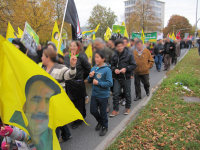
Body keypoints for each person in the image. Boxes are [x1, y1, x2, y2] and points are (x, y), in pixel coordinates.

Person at [41, 46, 77, 143]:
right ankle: (67, 134)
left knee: (54, 124)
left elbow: (70, 75)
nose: (41, 58)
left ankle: (54, 144)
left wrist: (72, 65)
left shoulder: (60, 68)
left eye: (42, 56)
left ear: (48, 57)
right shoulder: (42, 68)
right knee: (58, 120)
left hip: (57, 103)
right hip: (46, 102)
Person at [64, 41, 91, 130]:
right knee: (71, 102)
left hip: (79, 83)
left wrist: (82, 78)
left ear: (78, 47)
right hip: (69, 84)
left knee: (79, 102)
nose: (72, 47)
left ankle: (78, 119)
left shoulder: (82, 57)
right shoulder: (66, 58)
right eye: (71, 46)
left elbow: (88, 68)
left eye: (74, 46)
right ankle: (75, 117)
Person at [88, 50, 113, 136]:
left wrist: (98, 83)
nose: (96, 59)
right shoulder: (93, 68)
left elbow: (110, 83)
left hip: (103, 95)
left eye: (98, 57)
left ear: (103, 59)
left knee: (103, 112)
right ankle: (100, 121)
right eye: (95, 57)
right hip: (94, 94)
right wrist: (90, 76)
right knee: (92, 111)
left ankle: (105, 126)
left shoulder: (107, 70)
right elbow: (88, 80)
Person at [110, 39, 137, 117]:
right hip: (117, 78)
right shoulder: (114, 55)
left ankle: (127, 107)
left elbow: (134, 65)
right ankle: (116, 110)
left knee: (127, 94)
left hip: (126, 78)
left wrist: (126, 68)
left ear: (123, 45)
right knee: (115, 94)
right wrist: (114, 69)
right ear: (116, 47)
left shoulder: (129, 54)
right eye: (118, 46)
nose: (120, 47)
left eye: (121, 46)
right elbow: (112, 66)